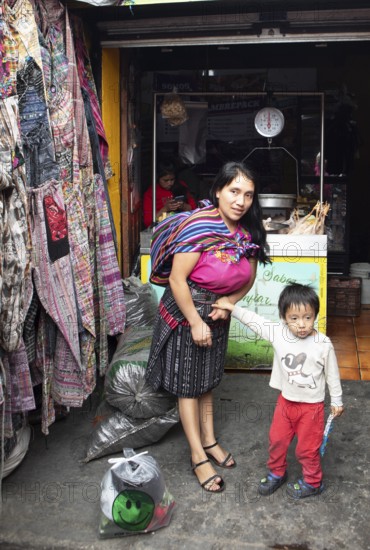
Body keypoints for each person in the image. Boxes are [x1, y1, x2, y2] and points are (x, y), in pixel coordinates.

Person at [145, 161, 269, 493]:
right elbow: (176, 279)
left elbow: (249, 278)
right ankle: (198, 455)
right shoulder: (199, 226)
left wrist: (229, 302)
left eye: (248, 195)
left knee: (207, 380)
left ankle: (210, 440)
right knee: (188, 385)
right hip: (188, 312)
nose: (241, 201)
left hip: (217, 316)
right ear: (218, 191)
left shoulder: (249, 233)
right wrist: (195, 321)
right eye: (234, 191)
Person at [212, 282, 344, 499]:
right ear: (284, 317)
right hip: (286, 403)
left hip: (312, 408)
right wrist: (231, 307)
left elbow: (332, 374)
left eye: (308, 317)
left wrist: (337, 400)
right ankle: (277, 472)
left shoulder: (323, 343)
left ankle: (313, 482)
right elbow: (255, 321)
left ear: (315, 315)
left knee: (307, 450)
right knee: (277, 441)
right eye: (294, 318)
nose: (301, 324)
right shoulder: (278, 334)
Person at [143, 161, 197, 227]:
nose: (170, 183)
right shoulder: (151, 192)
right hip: (162, 228)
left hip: (182, 225)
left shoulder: (181, 186)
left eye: (172, 179)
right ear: (158, 178)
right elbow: (148, 222)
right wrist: (165, 209)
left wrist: (183, 206)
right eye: (165, 180)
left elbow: (195, 209)